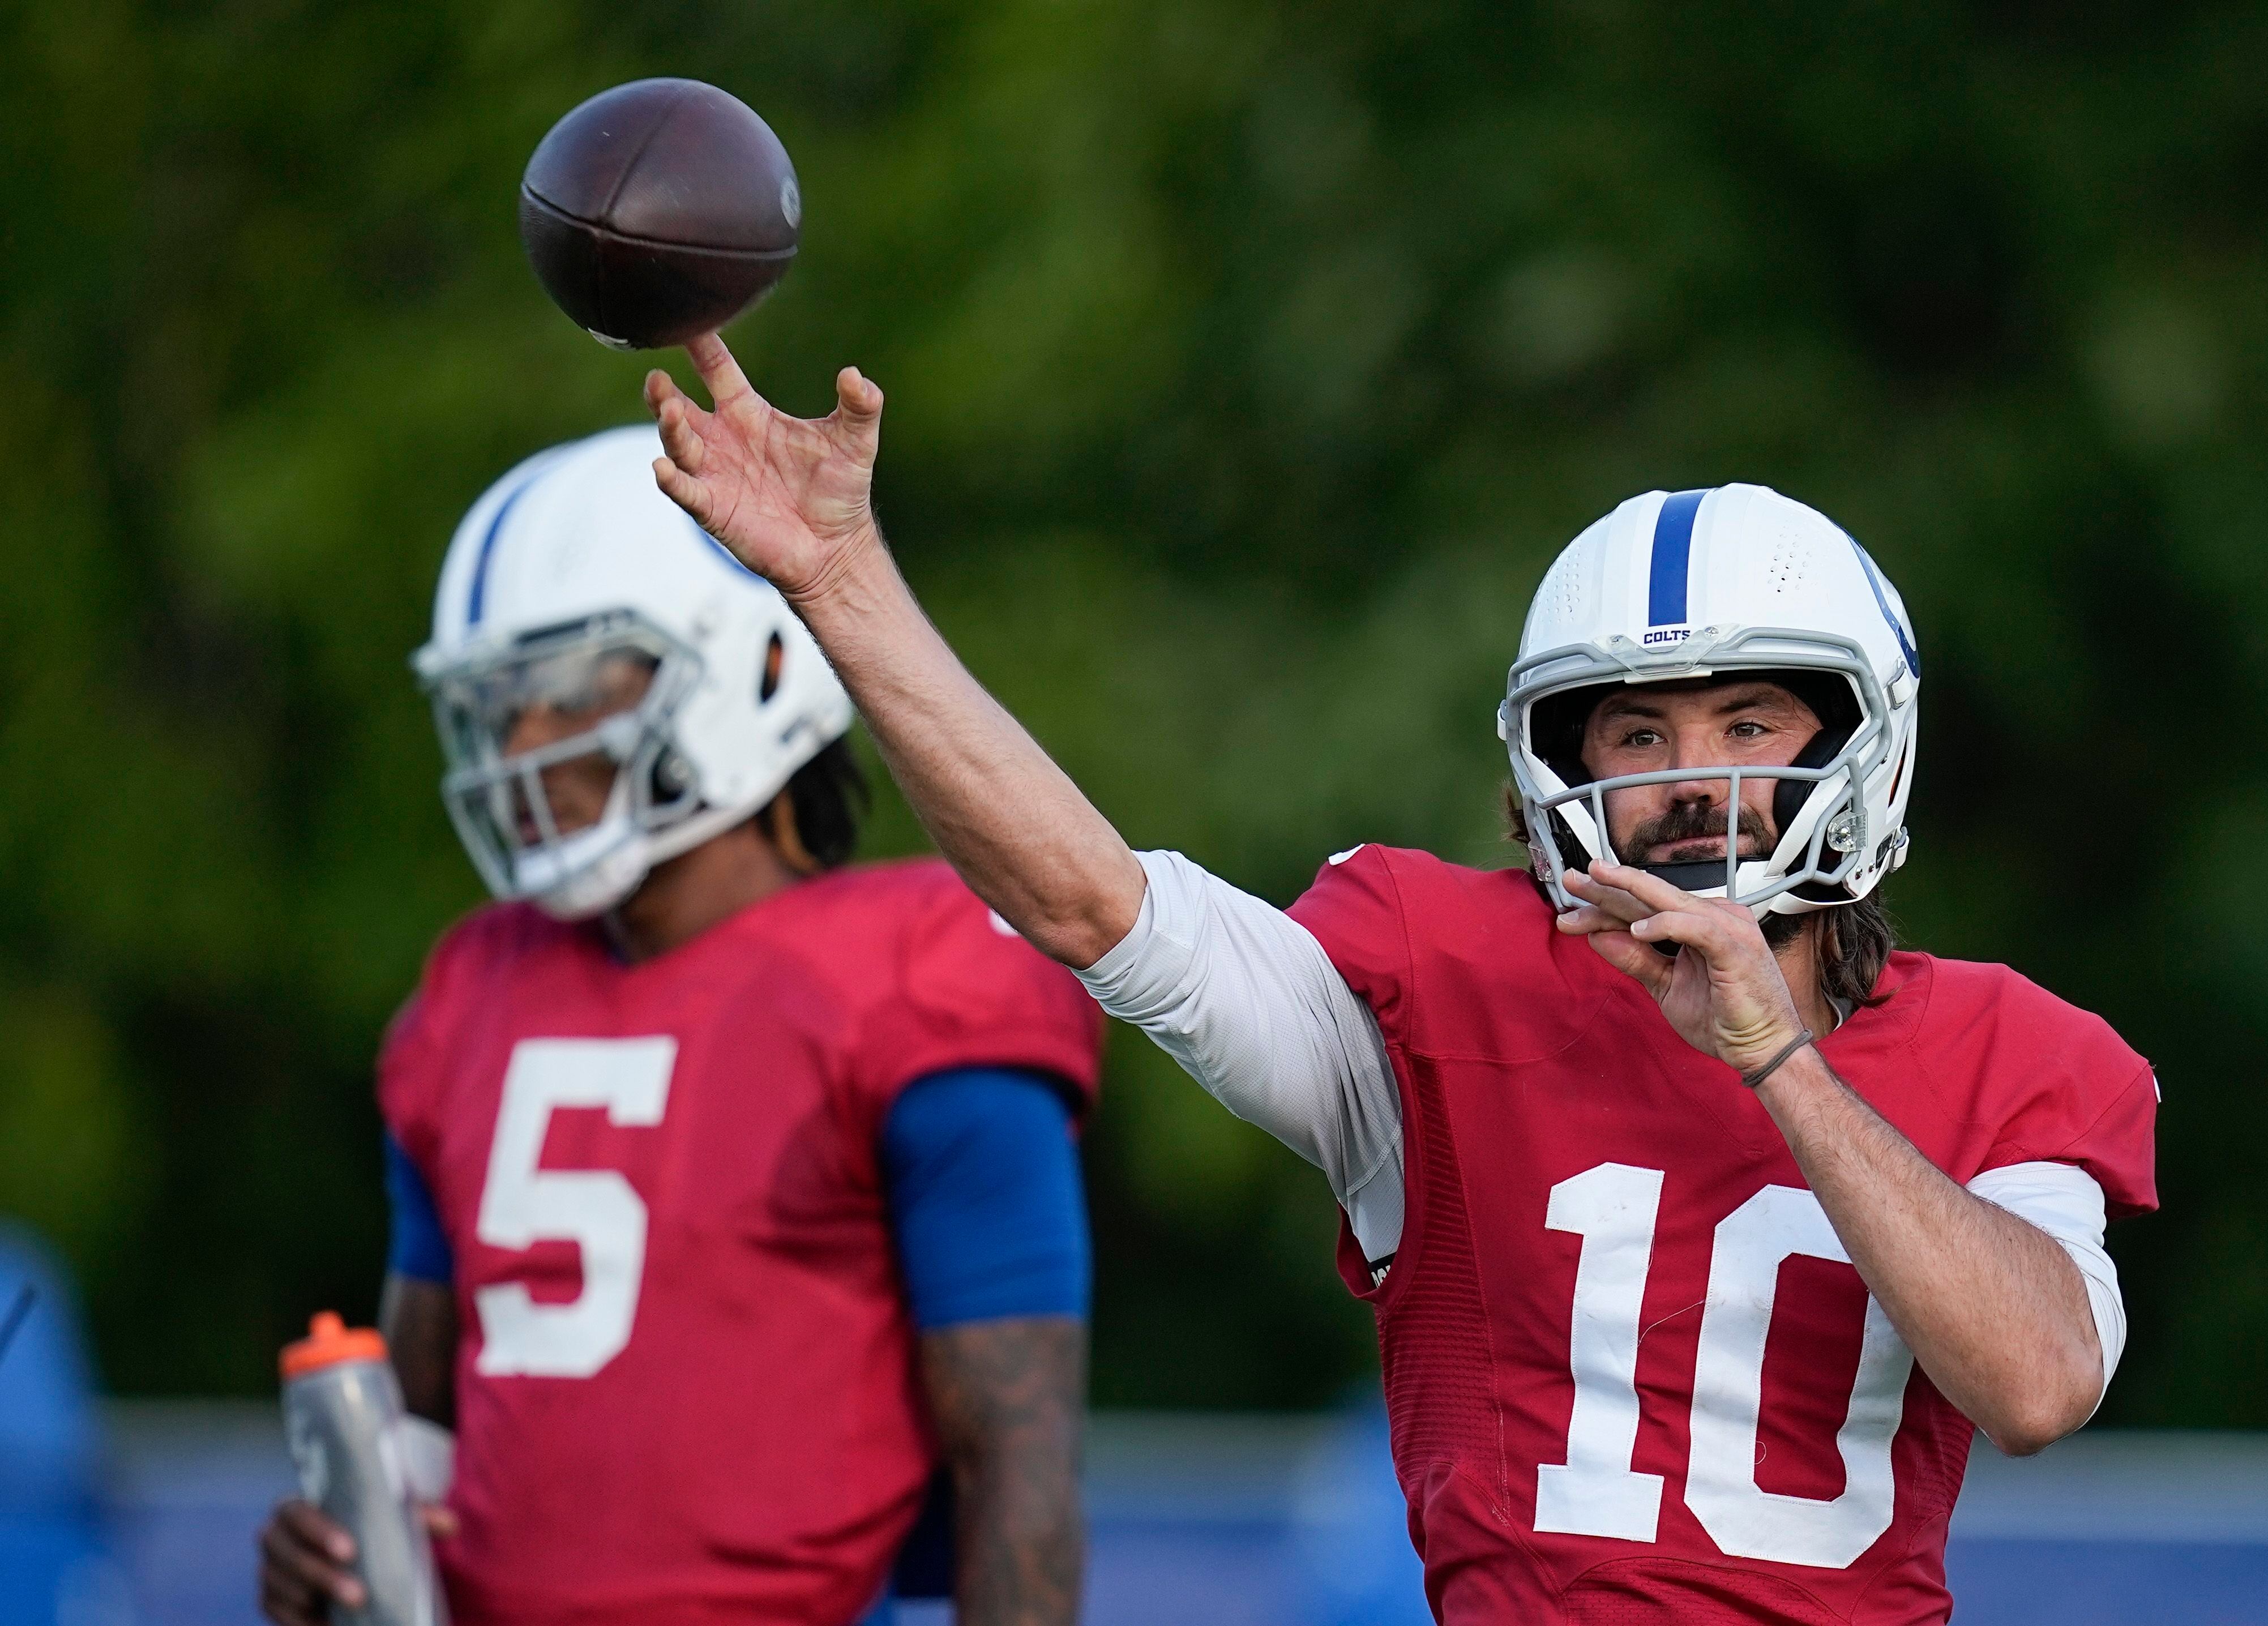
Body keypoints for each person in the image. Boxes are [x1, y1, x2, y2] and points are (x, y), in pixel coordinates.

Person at [637, 339, 2158, 1625]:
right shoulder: (1441, 987)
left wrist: (1777, 1060)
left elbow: (2035, 1382)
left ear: (1857, 744)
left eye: (1748, 721)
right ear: (1555, 773)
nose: (1692, 781)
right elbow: (1091, 901)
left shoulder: (2004, 1049)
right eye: (1634, 737)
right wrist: (841, 582)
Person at [256, 426, 1105, 1626]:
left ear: (745, 665)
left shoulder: (919, 974)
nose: (521, 748)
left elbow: (1018, 1462)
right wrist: (335, 1558)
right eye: (497, 707)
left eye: (561, 690)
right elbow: (418, 1443)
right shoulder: (471, 990)